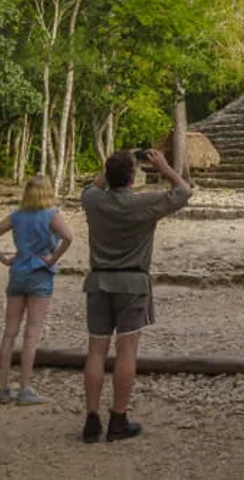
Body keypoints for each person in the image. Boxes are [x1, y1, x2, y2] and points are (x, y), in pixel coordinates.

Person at [80, 147, 191, 443]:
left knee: (96, 351)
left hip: (98, 280)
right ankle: (118, 417)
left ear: (108, 175)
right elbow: (184, 191)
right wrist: (165, 167)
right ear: (132, 178)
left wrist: (115, 162)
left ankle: (91, 418)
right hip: (132, 282)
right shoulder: (144, 203)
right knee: (126, 350)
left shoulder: (93, 201)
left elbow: (94, 185)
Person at [0, 174, 74, 405]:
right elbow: (68, 237)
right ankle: (25, 388)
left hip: (18, 271)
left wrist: (5, 259)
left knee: (9, 332)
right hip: (40, 272)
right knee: (32, 332)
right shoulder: (51, 214)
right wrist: (53, 259)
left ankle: (3, 388)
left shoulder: (17, 215)